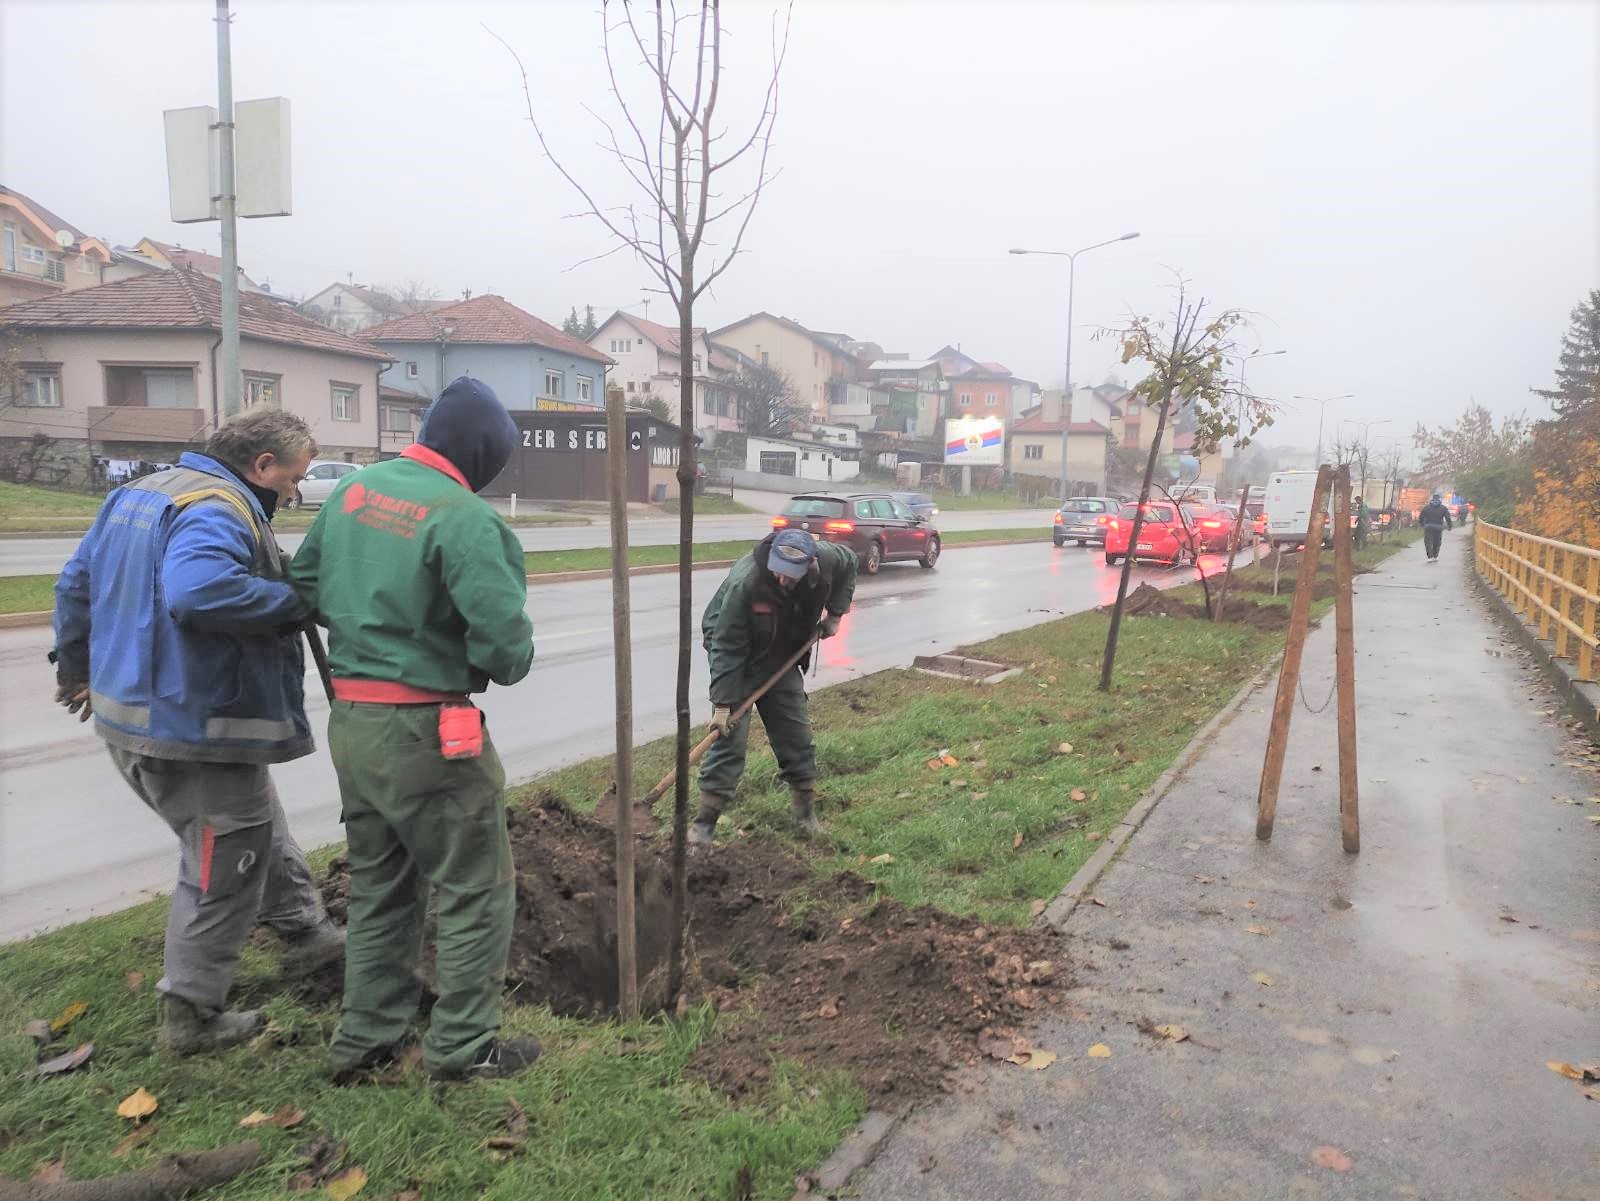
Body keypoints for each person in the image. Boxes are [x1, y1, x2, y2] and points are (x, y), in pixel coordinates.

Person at [51, 410, 344, 1056]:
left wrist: (74, 665)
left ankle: (305, 935)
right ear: (261, 465)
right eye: (292, 480)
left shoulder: (144, 492)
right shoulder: (219, 509)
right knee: (225, 860)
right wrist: (293, 603)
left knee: (255, 818)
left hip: (132, 714)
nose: (293, 495)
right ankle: (191, 1014)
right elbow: (198, 592)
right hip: (186, 723)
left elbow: (75, 582)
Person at [288, 377, 538, 1083]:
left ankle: (365, 1040)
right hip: (428, 729)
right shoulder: (466, 518)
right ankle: (462, 1049)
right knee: (474, 884)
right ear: (485, 454)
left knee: (380, 888)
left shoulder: (353, 493)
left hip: (354, 720)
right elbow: (506, 652)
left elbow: (301, 591)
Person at [692, 528, 857, 847]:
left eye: (792, 576)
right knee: (728, 742)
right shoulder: (747, 581)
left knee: (796, 733)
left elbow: (850, 561)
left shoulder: (825, 558)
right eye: (779, 573)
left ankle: (804, 816)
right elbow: (727, 644)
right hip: (736, 654)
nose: (784, 581)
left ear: (809, 563)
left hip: (781, 655)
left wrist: (836, 612)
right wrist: (724, 705)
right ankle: (703, 829)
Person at [1420, 493, 1454, 560]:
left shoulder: (1426, 508)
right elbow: (1448, 518)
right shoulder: (1443, 508)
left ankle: (1429, 556)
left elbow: (1421, 517)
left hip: (1428, 527)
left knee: (1428, 542)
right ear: (1439, 499)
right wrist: (1450, 526)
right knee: (1437, 542)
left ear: (1432, 499)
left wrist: (1422, 524)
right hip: (1438, 527)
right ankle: (1435, 555)